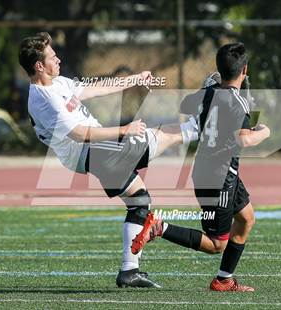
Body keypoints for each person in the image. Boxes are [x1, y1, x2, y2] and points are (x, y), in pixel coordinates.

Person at [19, 32, 198, 288]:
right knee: (155, 136)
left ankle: (129, 271)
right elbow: (80, 134)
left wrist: (133, 79)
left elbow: (94, 88)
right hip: (88, 150)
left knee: (139, 201)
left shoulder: (57, 84)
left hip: (94, 151)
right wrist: (124, 131)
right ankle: (201, 126)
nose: (58, 59)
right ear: (39, 66)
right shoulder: (42, 99)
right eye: (52, 56)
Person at [131, 42, 271, 292]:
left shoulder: (210, 93)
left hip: (216, 170)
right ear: (245, 70)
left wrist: (208, 88)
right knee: (217, 245)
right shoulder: (238, 102)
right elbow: (245, 138)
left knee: (247, 219)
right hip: (219, 177)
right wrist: (264, 131)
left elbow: (186, 105)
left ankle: (223, 280)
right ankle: (160, 227)